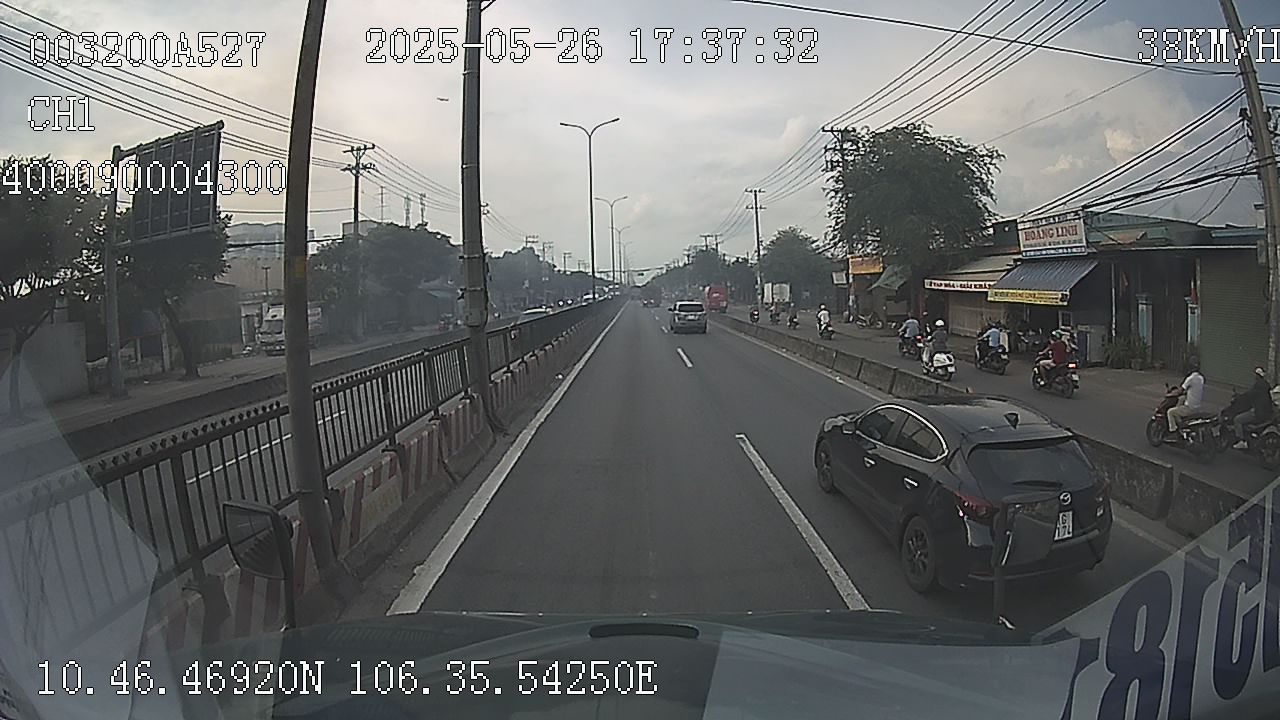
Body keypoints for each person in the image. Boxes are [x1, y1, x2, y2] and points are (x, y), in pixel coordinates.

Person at [1230, 367, 1274, 448]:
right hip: (1266, 411)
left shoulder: (1258, 385)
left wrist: (1239, 397)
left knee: (1237, 419)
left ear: (1257, 375)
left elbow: (1249, 395)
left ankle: (1242, 441)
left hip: (1259, 412)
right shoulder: (1266, 384)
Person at [1167, 357, 1206, 433]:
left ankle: (1173, 430)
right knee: (1181, 398)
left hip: (1189, 408)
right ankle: (1180, 422)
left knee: (1170, 412)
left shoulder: (1190, 379)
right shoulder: (1201, 378)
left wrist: (1170, 394)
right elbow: (1193, 389)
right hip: (1197, 407)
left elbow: (1180, 391)